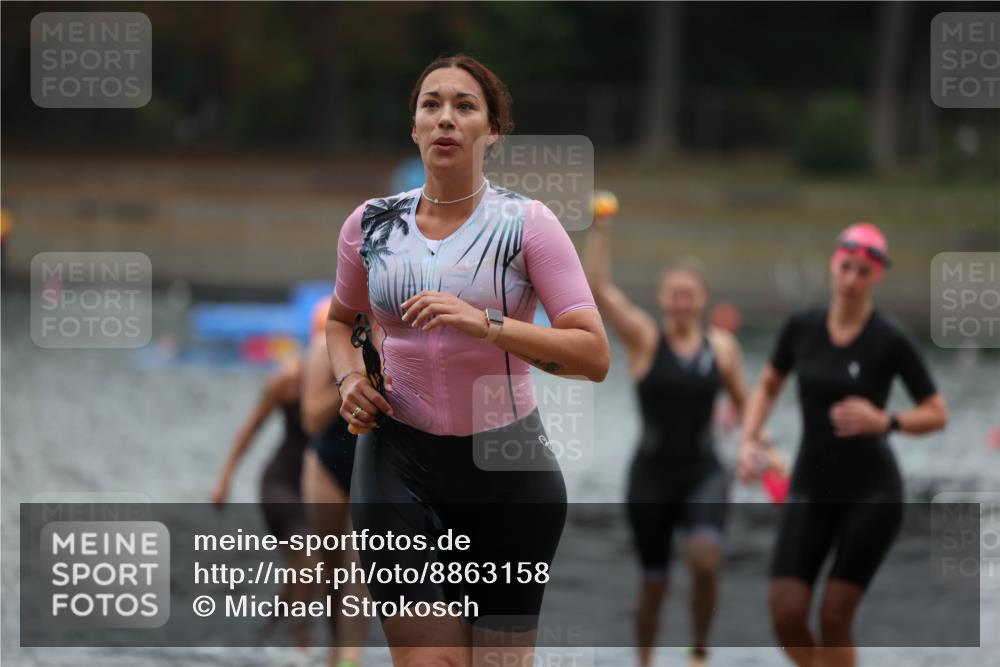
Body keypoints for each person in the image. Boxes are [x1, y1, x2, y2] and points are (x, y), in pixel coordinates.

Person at [322, 54, 610, 667]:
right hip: (397, 463)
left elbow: (593, 353)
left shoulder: (528, 225)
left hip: (508, 471)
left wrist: (485, 323)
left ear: (491, 133)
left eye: (464, 106)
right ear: (415, 128)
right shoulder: (370, 225)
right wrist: (348, 378)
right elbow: (340, 320)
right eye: (432, 105)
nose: (446, 118)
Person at [738, 223, 949, 667]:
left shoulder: (888, 339)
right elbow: (767, 386)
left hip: (872, 494)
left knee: (834, 617)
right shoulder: (802, 327)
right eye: (846, 268)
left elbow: (936, 412)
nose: (852, 279)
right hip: (811, 487)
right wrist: (749, 439)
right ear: (833, 265)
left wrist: (885, 420)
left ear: (877, 278)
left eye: (863, 272)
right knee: (787, 614)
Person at [583, 207, 751, 667]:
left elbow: (745, 403)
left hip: (703, 472)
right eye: (674, 294)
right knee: (654, 582)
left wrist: (762, 445)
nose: (681, 302)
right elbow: (599, 291)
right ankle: (644, 660)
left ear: (702, 299)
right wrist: (601, 229)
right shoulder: (644, 339)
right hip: (651, 478)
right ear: (661, 298)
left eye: (689, 295)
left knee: (705, 558)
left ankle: (698, 650)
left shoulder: (723, 347)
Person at [211, 358, 315, 649]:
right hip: (280, 485)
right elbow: (249, 429)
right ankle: (299, 645)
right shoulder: (289, 381)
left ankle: (271, 629)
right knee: (309, 563)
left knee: (307, 572)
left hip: (316, 490)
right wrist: (224, 479)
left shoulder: (349, 379)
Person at [300, 297, 369, 667]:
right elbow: (311, 418)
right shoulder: (322, 347)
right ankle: (333, 649)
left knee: (361, 565)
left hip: (372, 461)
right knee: (329, 569)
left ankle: (349, 657)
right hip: (327, 461)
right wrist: (352, 383)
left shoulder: (397, 341)